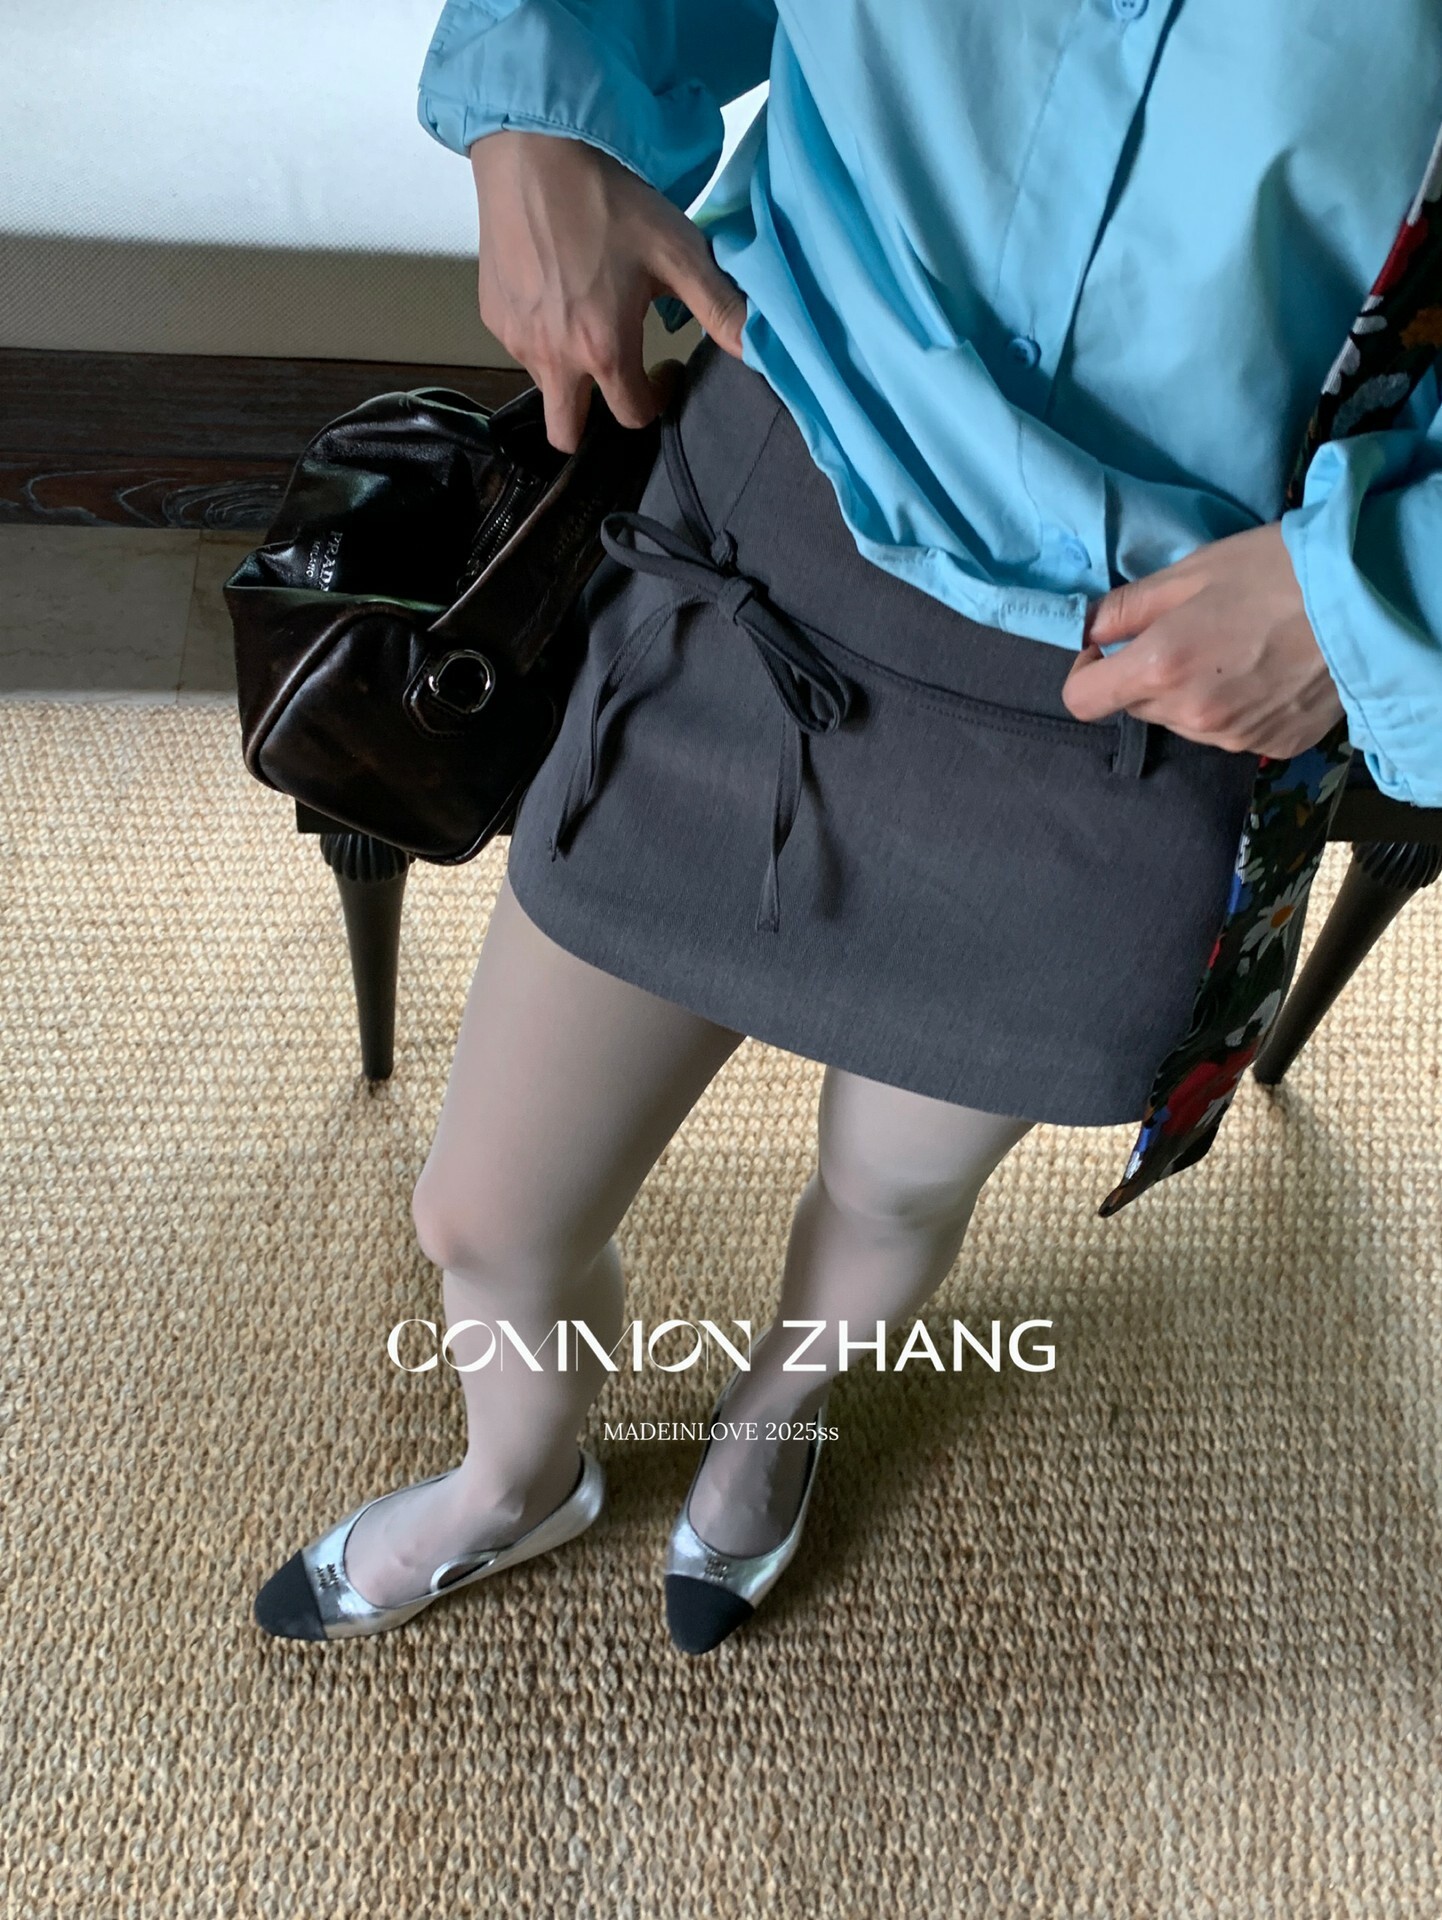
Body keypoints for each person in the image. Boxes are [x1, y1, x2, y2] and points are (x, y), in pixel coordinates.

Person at [253, 2, 1442, 1654]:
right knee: (483, 1212)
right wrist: (540, 116)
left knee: (889, 1195)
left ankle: (773, 1418)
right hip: (767, 518)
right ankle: (513, 1475)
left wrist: (1362, 605)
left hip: (1153, 657)